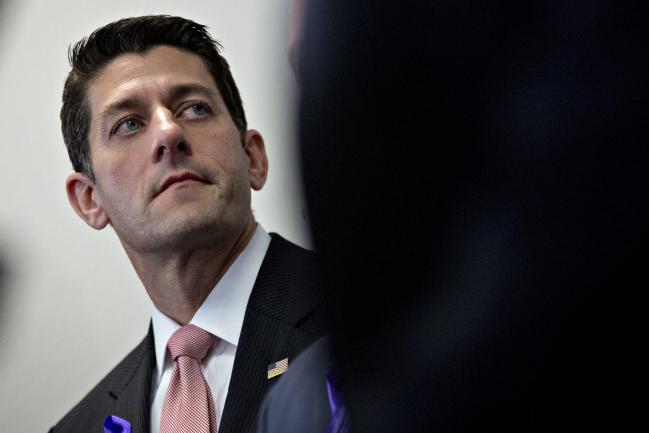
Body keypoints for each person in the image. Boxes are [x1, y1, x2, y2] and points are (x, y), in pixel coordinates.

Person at [49, 15, 326, 433]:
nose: (168, 132)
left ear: (253, 157)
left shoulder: (375, 310)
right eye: (129, 124)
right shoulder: (77, 429)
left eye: (194, 108)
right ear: (89, 200)